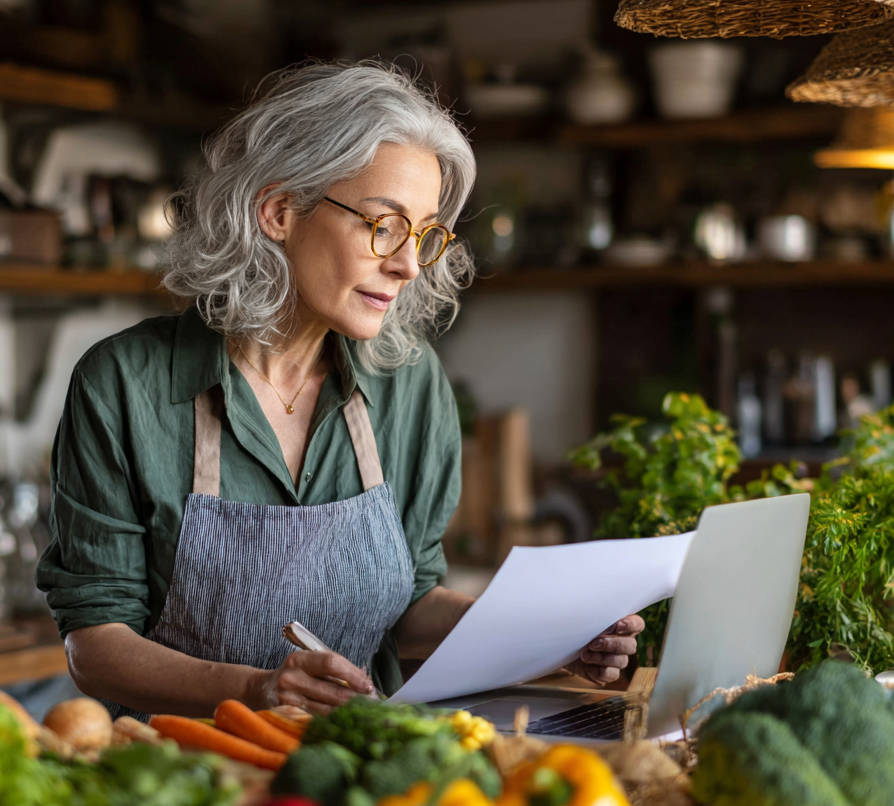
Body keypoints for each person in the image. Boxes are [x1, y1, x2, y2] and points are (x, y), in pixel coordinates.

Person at [36, 61, 643, 719]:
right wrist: (254, 690)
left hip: (361, 771)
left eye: (424, 234)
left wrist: (549, 636)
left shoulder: (410, 385)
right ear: (278, 211)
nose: (409, 263)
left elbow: (409, 608)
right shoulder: (125, 385)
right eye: (383, 225)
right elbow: (95, 645)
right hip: (184, 778)